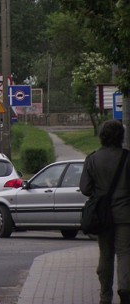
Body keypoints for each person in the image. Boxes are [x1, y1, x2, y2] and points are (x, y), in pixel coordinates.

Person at [80, 119, 130, 304]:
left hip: (102, 216)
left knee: (106, 255)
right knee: (125, 253)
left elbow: (84, 188)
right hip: (125, 216)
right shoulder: (127, 157)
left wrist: (99, 193)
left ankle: (105, 296)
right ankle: (125, 288)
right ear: (121, 136)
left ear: (102, 136)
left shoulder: (92, 158)